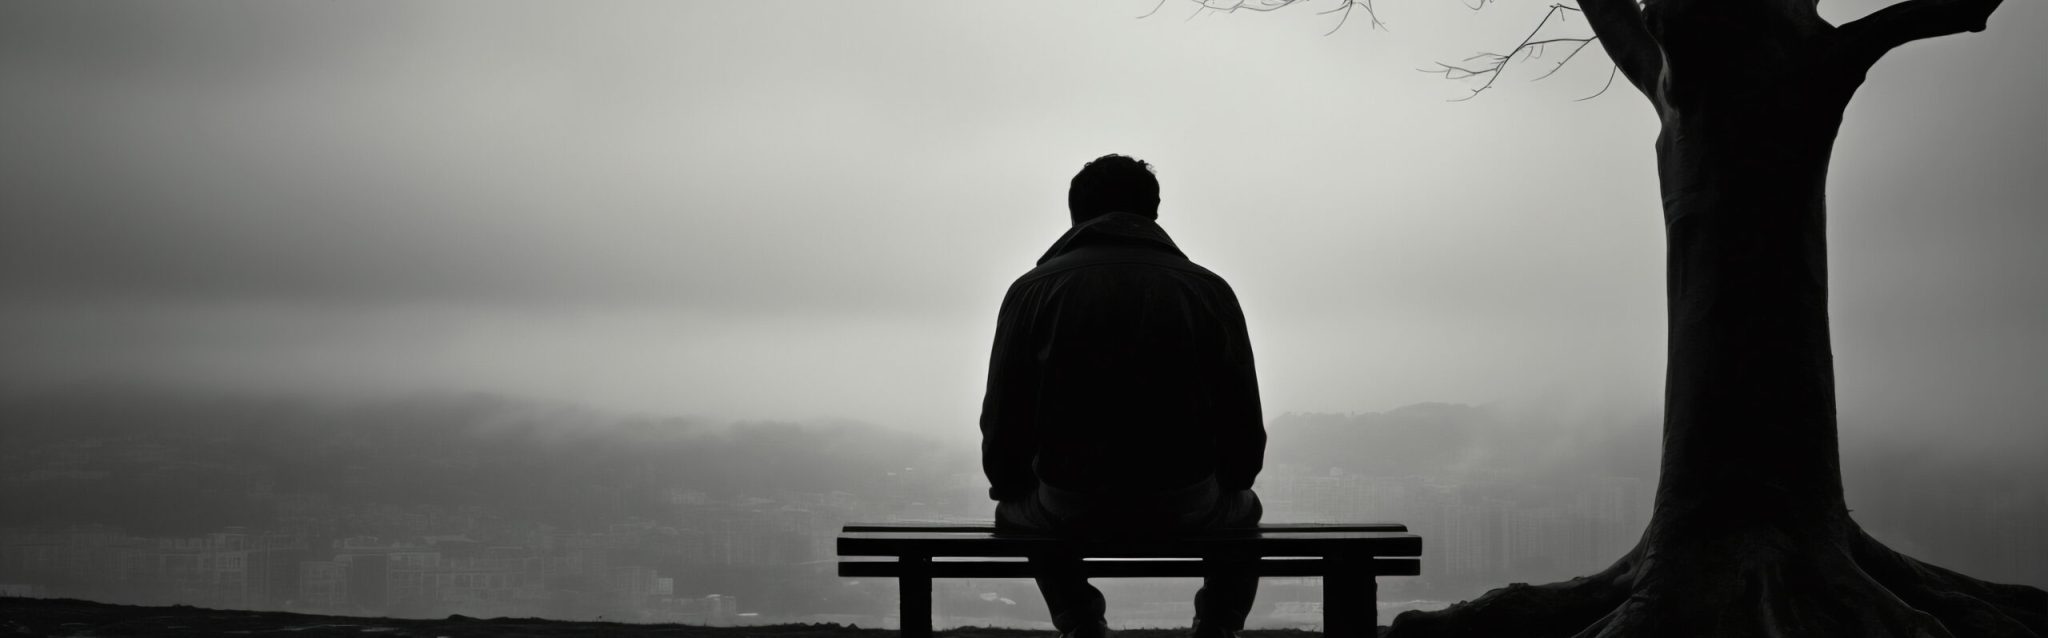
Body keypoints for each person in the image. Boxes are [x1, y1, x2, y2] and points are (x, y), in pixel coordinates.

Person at [979, 154, 1268, 638]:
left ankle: (1081, 622)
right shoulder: (1208, 290)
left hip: (1067, 502)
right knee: (1246, 508)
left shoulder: (1032, 291)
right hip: (1188, 500)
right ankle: (1217, 626)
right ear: (1152, 213)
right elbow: (1243, 423)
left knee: (1015, 511)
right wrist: (1232, 478)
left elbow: (1004, 416)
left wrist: (1012, 486)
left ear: (1075, 215)